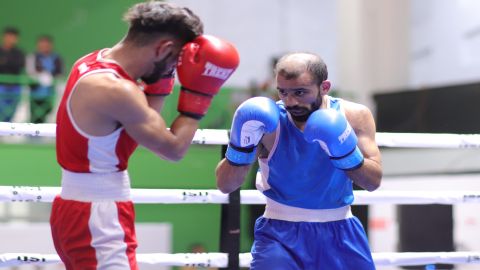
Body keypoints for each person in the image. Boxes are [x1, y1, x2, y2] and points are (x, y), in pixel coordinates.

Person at [50, 1, 239, 269]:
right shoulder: (117, 90)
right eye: (175, 61)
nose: (174, 69)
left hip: (78, 207)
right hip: (98, 214)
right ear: (163, 48)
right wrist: (200, 94)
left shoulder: (93, 62)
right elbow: (173, 149)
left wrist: (161, 81)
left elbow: (141, 128)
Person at [216, 52, 382, 269]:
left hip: (340, 230)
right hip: (279, 235)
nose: (290, 101)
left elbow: (373, 181)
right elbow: (226, 184)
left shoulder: (354, 116)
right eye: (283, 92)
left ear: (324, 87)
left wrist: (345, 153)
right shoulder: (269, 121)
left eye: (300, 92)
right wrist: (239, 148)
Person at [26, 34, 63, 123]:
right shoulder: (33, 56)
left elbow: (60, 72)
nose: (44, 47)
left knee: (49, 113)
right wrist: (40, 77)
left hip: (51, 92)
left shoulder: (57, 57)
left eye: (46, 45)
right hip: (36, 92)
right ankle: (33, 135)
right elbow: (30, 72)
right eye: (42, 45)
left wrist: (52, 78)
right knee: (35, 115)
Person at [0, 26, 25, 122]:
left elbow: (18, 67)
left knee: (10, 111)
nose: (11, 39)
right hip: (1, 86)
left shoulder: (19, 53)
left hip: (15, 87)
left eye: (13, 37)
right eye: (9, 36)